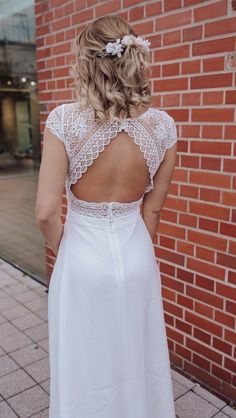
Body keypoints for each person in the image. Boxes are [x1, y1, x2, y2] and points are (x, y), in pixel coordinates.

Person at [35, 14, 177, 418]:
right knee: (137, 357)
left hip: (82, 260)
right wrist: (137, 249)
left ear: (88, 62)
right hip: (137, 257)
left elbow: (46, 212)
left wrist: (69, 250)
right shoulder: (164, 127)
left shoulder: (64, 120)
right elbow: (153, 209)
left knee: (85, 363)